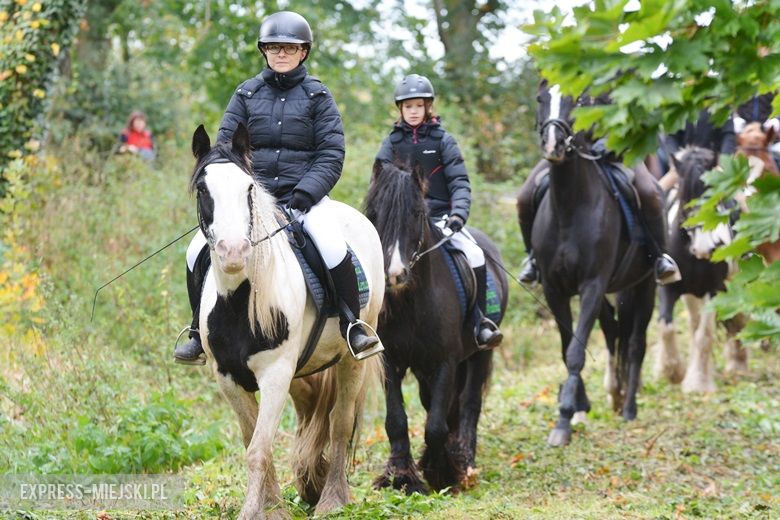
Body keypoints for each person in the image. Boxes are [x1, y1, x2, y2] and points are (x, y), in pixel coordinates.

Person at [174, 10, 379, 365]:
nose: (280, 53)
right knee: (195, 249)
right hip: (251, 203)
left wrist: (305, 194)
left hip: (304, 199)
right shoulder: (246, 93)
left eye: (289, 47)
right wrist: (240, 197)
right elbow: (224, 152)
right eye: (273, 47)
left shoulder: (318, 97)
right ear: (264, 51)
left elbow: (331, 153)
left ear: (303, 52)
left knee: (331, 246)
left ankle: (352, 324)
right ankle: (196, 330)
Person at [375, 74, 502, 349]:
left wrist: (459, 214)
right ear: (400, 109)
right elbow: (379, 186)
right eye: (408, 107)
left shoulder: (444, 140)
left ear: (427, 107)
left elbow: (459, 182)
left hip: (441, 218)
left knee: (476, 253)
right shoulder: (391, 143)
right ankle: (373, 322)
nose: (413, 112)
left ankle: (480, 322)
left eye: (418, 106)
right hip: (403, 224)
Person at [517, 87, 680, 286]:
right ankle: (533, 260)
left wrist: (611, 141)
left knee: (650, 192)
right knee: (523, 197)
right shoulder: (568, 78)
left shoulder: (617, 74)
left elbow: (634, 117)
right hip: (570, 151)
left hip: (618, 152)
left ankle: (660, 257)